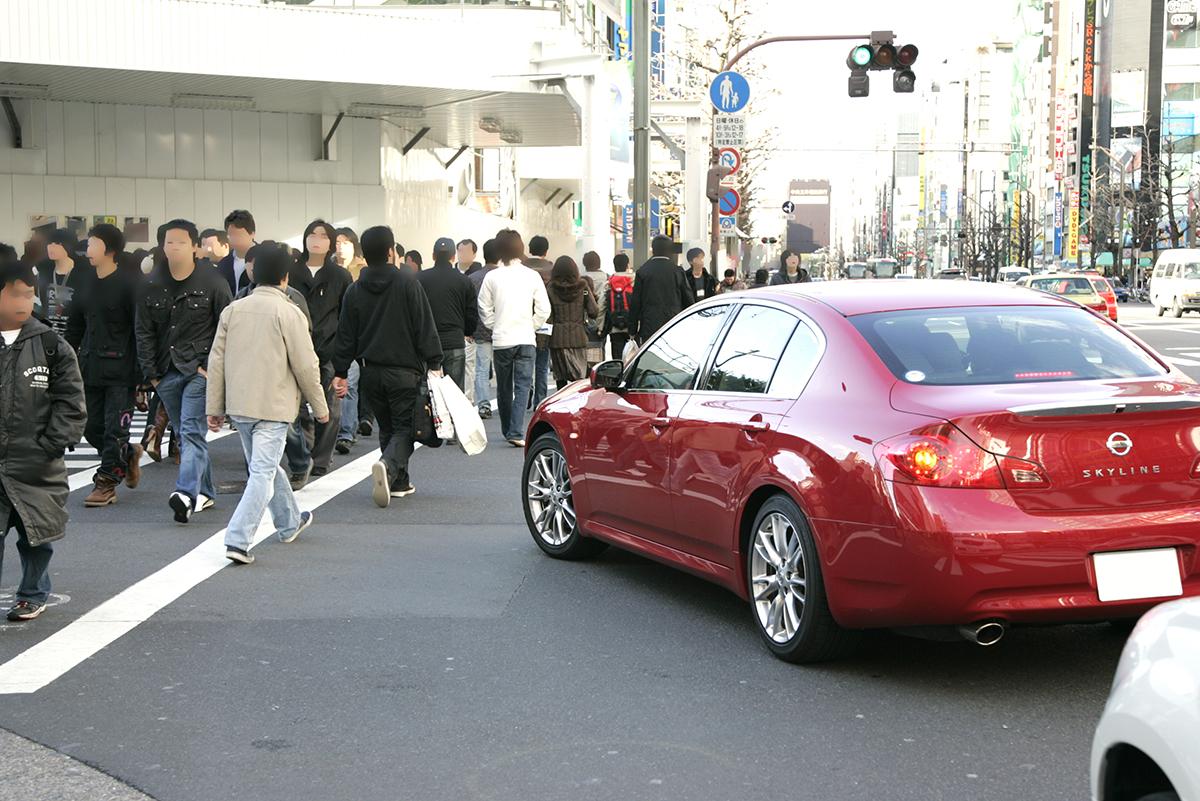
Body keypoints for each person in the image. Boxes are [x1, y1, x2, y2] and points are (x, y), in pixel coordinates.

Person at [206, 246, 326, 565]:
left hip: (240, 406)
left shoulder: (234, 310)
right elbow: (305, 365)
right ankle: (238, 539)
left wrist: (214, 406)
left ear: (253, 274)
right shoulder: (289, 313)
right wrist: (320, 404)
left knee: (267, 469)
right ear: (285, 278)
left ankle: (289, 522)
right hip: (274, 406)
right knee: (263, 471)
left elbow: (216, 361)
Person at [0, 260, 86, 623]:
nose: (24, 301)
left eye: (29, 293)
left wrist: (52, 443)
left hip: (34, 459)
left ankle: (33, 593)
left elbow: (71, 400)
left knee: (35, 535)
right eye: (14, 293)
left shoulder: (51, 344)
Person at [333, 226, 442, 508]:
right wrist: (435, 361)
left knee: (388, 426)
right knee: (405, 429)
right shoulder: (407, 283)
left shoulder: (355, 290)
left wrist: (341, 371)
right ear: (391, 251)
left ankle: (399, 482)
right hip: (404, 371)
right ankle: (388, 465)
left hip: (370, 371)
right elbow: (423, 324)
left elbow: (346, 334)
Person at [135, 219, 232, 524]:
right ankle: (207, 491)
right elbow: (143, 330)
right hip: (165, 373)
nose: (174, 247)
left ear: (194, 246)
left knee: (190, 430)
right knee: (188, 434)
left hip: (198, 371)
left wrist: (213, 370)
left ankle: (185, 494)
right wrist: (151, 374)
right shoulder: (151, 284)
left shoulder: (212, 281)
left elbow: (226, 327)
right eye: (168, 242)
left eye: (180, 241)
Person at [66, 223, 144, 507]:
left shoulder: (129, 284)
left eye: (92, 243)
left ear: (109, 249)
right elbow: (75, 328)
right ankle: (127, 455)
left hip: (122, 370)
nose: (87, 249)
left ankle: (107, 481)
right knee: (88, 425)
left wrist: (143, 374)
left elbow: (140, 330)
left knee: (115, 429)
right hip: (90, 368)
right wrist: (63, 358)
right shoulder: (85, 283)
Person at [285, 219, 351, 481]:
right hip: (294, 349)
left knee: (330, 406)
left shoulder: (340, 275)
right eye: (312, 234)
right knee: (295, 407)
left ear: (331, 243)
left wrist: (346, 354)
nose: (316, 239)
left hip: (329, 349)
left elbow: (347, 316)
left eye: (323, 236)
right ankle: (303, 454)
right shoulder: (291, 270)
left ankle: (321, 459)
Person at [479, 230, 550, 447]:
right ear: (521, 248)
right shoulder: (531, 276)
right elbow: (544, 309)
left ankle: (508, 428)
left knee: (503, 386)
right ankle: (516, 431)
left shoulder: (492, 276)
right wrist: (532, 325)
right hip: (526, 338)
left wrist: (494, 325)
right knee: (522, 385)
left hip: (502, 340)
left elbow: (483, 307)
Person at [417, 237, 477, 393]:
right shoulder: (464, 281)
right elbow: (471, 313)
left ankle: (428, 417)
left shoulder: (419, 279)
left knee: (426, 391)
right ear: (453, 257)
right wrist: (467, 331)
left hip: (425, 343)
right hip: (454, 342)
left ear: (433, 256)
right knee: (455, 394)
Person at [629, 235, 692, 344]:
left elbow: (635, 303)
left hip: (649, 326)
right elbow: (688, 300)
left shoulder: (643, 271)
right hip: (673, 325)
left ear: (653, 250)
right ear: (670, 251)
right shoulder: (677, 271)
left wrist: (632, 330)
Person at [546, 255, 598, 389]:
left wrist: (542, 340)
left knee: (561, 380)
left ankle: (561, 406)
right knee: (579, 379)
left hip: (557, 340)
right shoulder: (583, 287)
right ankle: (579, 406)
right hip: (578, 339)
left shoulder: (550, 288)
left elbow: (548, 317)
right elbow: (593, 311)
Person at [469, 238, 500, 419]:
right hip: (503, 330)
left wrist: (470, 328)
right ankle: (506, 403)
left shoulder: (473, 278)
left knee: (481, 369)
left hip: (480, 330)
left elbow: (471, 306)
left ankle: (483, 405)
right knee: (504, 369)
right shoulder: (504, 277)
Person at [36, 228, 88, 335]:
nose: (51, 247)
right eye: (50, 243)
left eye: (57, 243)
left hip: (75, 336)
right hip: (49, 335)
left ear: (68, 245)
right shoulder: (44, 272)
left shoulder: (83, 273)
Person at [524, 235, 554, 409]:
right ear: (546, 250)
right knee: (542, 365)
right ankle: (540, 401)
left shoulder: (521, 268)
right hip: (545, 322)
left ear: (530, 249)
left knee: (525, 363)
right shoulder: (552, 268)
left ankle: (525, 393)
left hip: (523, 322)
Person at [457, 239, 482, 402]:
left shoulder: (478, 274)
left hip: (470, 332)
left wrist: (470, 330)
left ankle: (468, 400)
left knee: (469, 367)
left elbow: (475, 306)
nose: (462, 255)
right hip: (453, 329)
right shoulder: (452, 273)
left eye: (466, 251)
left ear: (474, 254)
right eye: (460, 251)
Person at [603, 253, 635, 362]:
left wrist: (600, 327)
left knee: (617, 361)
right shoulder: (633, 281)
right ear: (627, 265)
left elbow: (601, 306)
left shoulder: (609, 282)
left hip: (614, 327)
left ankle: (618, 378)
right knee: (632, 360)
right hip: (632, 327)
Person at [217, 209, 256, 296]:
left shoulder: (265, 259)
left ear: (252, 234)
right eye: (231, 236)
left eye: (240, 235)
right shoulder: (223, 264)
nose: (236, 240)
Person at [581, 250, 608, 366]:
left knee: (589, 348)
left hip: (587, 319)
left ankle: (589, 369)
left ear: (585, 264)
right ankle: (600, 368)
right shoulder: (607, 277)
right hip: (603, 319)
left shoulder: (582, 279)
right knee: (600, 347)